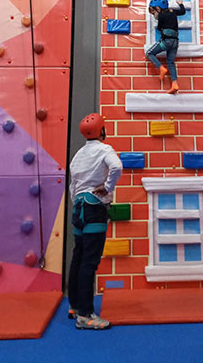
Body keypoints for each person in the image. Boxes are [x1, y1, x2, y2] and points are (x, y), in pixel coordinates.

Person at [67, 114, 123, 330]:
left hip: (78, 208)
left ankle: (74, 305)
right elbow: (117, 167)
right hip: (94, 207)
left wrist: (77, 203)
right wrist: (107, 188)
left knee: (78, 257)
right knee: (89, 261)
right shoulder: (105, 149)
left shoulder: (78, 155)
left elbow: (73, 186)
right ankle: (85, 315)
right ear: (101, 131)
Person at [145, 0, 186, 94]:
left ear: (158, 9)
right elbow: (182, 12)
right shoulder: (173, 12)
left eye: (154, 12)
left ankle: (161, 68)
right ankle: (174, 84)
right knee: (170, 62)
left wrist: (158, 20)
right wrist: (180, 4)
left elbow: (159, 28)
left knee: (149, 53)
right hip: (175, 42)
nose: (154, 15)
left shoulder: (161, 16)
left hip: (166, 42)